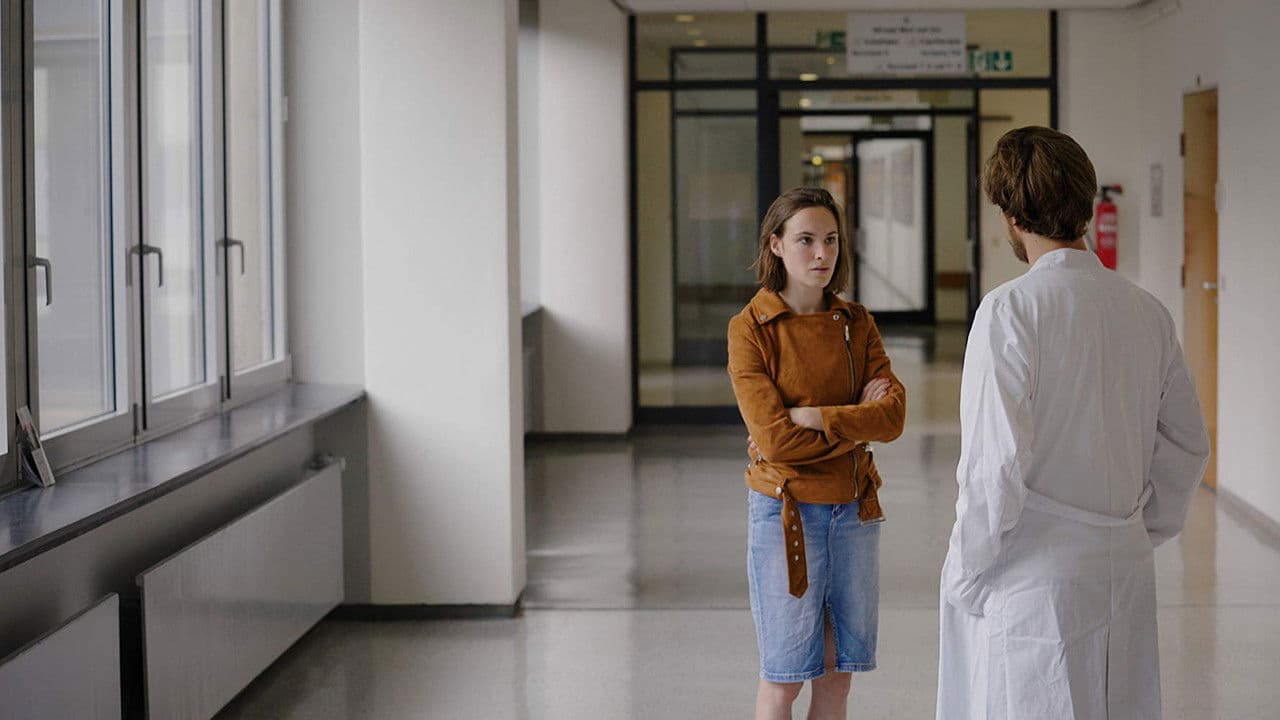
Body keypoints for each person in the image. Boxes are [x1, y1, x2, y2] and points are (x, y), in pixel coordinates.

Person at [936, 126, 1211, 720]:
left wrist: (966, 573)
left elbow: (993, 465)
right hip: (1123, 565)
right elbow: (1188, 442)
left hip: (1034, 573)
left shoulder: (1009, 312)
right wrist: (1138, 529)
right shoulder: (1147, 311)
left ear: (1011, 217)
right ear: (1086, 203)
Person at [728, 187, 907, 720]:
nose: (821, 253)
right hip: (786, 514)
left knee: (836, 675)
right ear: (776, 245)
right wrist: (855, 421)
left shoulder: (858, 322)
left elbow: (893, 417)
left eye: (830, 240)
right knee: (783, 681)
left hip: (853, 510)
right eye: (805, 240)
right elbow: (776, 441)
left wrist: (818, 416)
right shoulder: (750, 329)